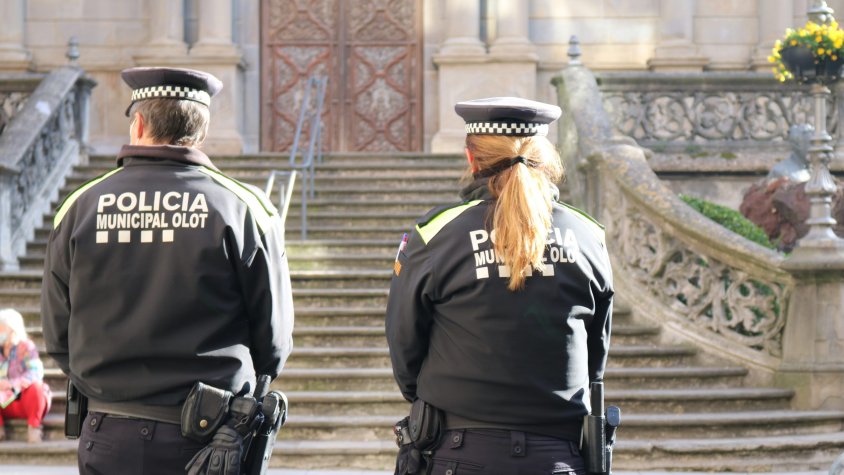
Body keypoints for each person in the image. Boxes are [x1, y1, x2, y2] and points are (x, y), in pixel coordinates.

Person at [41, 67, 294, 474]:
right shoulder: (245, 208)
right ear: (201, 131)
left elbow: (57, 332)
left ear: (138, 124)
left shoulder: (80, 207)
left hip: (108, 430)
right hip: (208, 438)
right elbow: (274, 341)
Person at [386, 97, 614, 475]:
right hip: (559, 452)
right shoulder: (588, 235)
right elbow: (596, 355)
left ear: (472, 159)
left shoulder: (436, 235)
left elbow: (404, 342)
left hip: (459, 448)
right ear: (543, 157)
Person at [0, 308, 51, 443]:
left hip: (23, 398)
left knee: (37, 388)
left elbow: (36, 372)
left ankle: (34, 428)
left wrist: (12, 384)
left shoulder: (26, 347)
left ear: (12, 329)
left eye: (1, 328)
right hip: (3, 401)